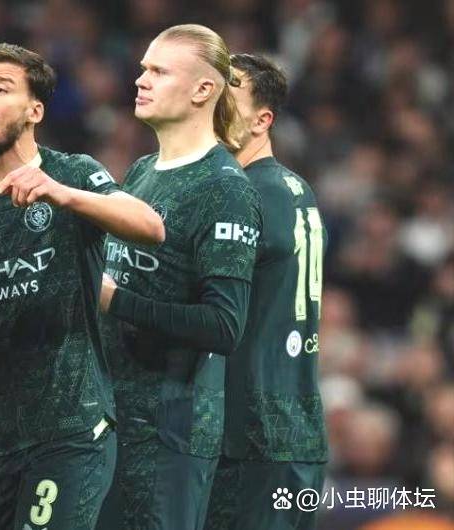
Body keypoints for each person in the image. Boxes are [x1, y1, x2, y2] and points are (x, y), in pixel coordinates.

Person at [0, 43, 164, 530]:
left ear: (34, 111)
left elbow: (149, 225)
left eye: (1, 88)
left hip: (69, 432)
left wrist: (63, 195)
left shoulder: (71, 174)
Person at [95, 25, 261, 530]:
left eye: (158, 71)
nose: (140, 79)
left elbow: (224, 326)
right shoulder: (142, 171)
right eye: (143, 68)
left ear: (203, 90)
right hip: (111, 421)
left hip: (169, 434)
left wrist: (114, 300)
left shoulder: (225, 189)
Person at [203, 53, 328, 530]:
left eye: (227, 97)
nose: (212, 108)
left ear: (262, 120)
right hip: (295, 429)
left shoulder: (248, 193)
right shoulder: (295, 189)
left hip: (253, 435)